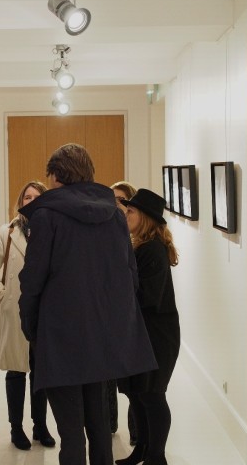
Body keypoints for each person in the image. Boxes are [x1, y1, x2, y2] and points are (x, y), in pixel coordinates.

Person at [18, 143, 158, 465]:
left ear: (56, 175)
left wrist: (31, 326)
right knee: (99, 426)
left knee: (70, 433)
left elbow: (33, 279)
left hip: (60, 334)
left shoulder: (47, 215)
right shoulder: (115, 214)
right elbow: (130, 274)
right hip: (101, 334)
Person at [0, 181, 56, 450]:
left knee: (41, 373)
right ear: (21, 201)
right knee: (16, 372)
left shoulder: (52, 231)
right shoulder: (8, 231)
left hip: (43, 312)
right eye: (27, 196)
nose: (32, 200)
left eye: (37, 196)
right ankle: (16, 428)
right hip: (14, 310)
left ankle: (40, 426)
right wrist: (1, 296)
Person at [116, 189, 181, 465]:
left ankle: (156, 456)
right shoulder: (141, 247)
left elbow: (147, 297)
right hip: (143, 334)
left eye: (130, 211)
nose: (126, 215)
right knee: (139, 395)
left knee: (152, 395)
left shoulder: (152, 249)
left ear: (144, 217)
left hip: (157, 337)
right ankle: (142, 449)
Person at [109, 180, 139, 445]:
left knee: (132, 380)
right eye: (113, 199)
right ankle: (109, 423)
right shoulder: (107, 232)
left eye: (122, 200)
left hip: (131, 317)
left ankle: (135, 431)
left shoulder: (138, 239)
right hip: (110, 317)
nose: (117, 204)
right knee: (107, 375)